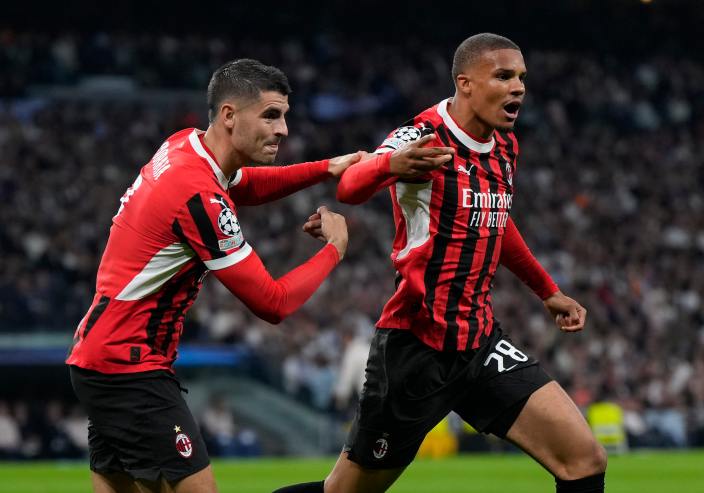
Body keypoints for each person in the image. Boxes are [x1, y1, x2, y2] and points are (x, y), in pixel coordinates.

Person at [275, 33, 607, 493]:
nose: (518, 87)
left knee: (584, 460)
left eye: (521, 78)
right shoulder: (421, 135)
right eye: (504, 76)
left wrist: (547, 291)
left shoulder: (505, 146)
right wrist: (391, 165)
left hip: (480, 342)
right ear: (465, 83)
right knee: (346, 492)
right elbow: (349, 186)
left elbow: (496, 222)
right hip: (417, 347)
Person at [66, 58, 359, 493]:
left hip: (101, 357)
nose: (283, 130)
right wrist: (335, 249)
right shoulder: (197, 195)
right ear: (229, 115)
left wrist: (325, 168)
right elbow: (273, 303)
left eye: (284, 117)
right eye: (270, 115)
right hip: (129, 366)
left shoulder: (184, 145)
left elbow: (243, 186)